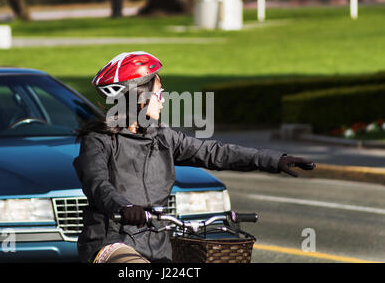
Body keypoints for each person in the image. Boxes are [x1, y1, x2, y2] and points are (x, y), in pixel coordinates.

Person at [73, 51, 316, 263]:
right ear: (138, 98)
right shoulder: (99, 139)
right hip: (112, 241)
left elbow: (214, 152)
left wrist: (273, 160)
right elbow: (97, 183)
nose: (163, 99)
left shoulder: (162, 137)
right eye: (159, 93)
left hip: (157, 242)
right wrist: (122, 206)